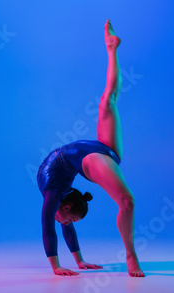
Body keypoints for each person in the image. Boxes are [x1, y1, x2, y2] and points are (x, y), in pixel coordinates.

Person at [37, 19, 144, 277]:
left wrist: (56, 267)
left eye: (70, 220)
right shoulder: (60, 200)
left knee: (108, 99)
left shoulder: (52, 195)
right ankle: (130, 254)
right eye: (72, 220)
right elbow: (64, 226)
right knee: (127, 202)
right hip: (98, 154)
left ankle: (111, 48)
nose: (68, 225)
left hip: (96, 154)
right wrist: (80, 261)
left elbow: (48, 228)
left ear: (64, 208)